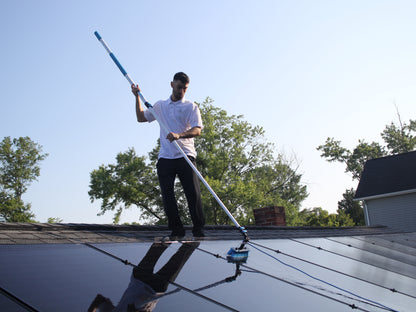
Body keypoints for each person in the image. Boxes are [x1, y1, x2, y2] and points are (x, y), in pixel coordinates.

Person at [131, 72, 205, 238]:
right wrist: (136, 97)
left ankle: (198, 229)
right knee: (167, 194)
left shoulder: (191, 107)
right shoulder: (160, 106)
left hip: (185, 154)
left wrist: (180, 135)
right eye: (179, 88)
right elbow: (141, 118)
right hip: (165, 157)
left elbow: (197, 130)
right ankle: (177, 229)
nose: (181, 92)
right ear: (172, 85)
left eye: (184, 89)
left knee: (192, 193)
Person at [88, 242, 200, 312]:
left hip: (139, 280)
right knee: (180, 257)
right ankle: (193, 238)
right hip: (154, 290)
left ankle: (175, 229)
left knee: (160, 246)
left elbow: (99, 299)